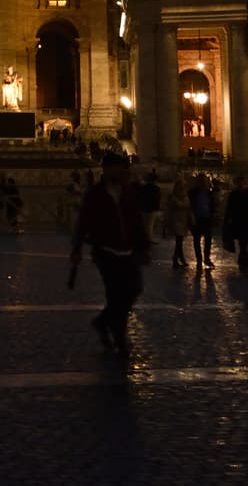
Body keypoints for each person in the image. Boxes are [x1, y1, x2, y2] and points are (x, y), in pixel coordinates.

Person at [68, 152, 150, 356]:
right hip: (106, 253)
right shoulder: (95, 194)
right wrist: (77, 249)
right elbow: (83, 223)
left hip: (129, 251)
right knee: (115, 295)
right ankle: (120, 339)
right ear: (107, 169)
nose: (124, 171)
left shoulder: (129, 192)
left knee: (134, 289)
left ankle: (102, 322)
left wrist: (144, 246)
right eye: (120, 168)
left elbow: (137, 221)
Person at [223, 176, 248, 273]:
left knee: (243, 242)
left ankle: (243, 261)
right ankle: (244, 261)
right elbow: (229, 208)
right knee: (243, 242)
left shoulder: (245, 194)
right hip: (239, 220)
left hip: (244, 220)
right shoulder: (238, 194)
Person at [185, 174, 217, 269]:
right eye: (201, 181)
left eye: (204, 181)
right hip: (197, 219)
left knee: (208, 240)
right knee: (197, 240)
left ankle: (206, 258)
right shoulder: (192, 192)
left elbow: (212, 205)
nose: (203, 183)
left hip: (206, 219)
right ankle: (199, 260)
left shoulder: (209, 193)